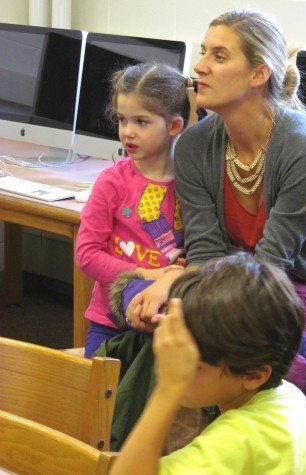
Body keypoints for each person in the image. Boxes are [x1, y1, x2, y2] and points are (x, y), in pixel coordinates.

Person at [121, 7, 306, 414]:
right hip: (241, 281)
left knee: (193, 322)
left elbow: (271, 267)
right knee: (144, 299)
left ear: (258, 74)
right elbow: (207, 251)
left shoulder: (305, 145)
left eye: (218, 56)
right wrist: (170, 284)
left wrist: (183, 287)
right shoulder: (197, 146)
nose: (198, 67)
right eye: (203, 53)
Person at [109, 253, 306, 475]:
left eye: (192, 365)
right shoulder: (287, 397)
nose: (173, 365)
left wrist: (167, 389)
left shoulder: (241, 438)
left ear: (254, 375)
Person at [75, 62, 190, 358]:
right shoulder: (112, 181)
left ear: (175, 126)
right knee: (99, 398)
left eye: (141, 121)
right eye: (122, 119)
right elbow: (87, 254)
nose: (127, 132)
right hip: (109, 322)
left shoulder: (192, 183)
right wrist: (145, 272)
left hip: (166, 319)